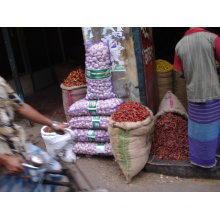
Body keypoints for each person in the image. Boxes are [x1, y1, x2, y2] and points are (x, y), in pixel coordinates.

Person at [0, 76, 68, 191]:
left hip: (20, 146)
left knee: (54, 172)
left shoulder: (1, 82)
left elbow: (21, 106)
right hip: (4, 168)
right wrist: (5, 160)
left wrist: (53, 125)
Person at [174, 27, 220, 169]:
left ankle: (197, 159)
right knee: (212, 126)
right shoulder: (213, 38)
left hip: (193, 93)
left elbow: (180, 73)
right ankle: (210, 158)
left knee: (196, 128)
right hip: (211, 90)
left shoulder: (179, 44)